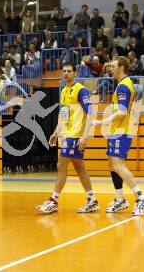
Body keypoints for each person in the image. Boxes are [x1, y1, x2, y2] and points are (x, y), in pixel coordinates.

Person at [92, 56, 144, 216]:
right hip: (117, 130)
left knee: (118, 165)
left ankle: (141, 197)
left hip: (122, 131)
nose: (110, 68)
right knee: (113, 165)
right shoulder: (121, 85)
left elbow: (122, 112)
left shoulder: (124, 86)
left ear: (122, 67)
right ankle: (120, 199)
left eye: (113, 66)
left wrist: (102, 122)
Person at [36, 63, 98, 213]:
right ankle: (92, 200)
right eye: (64, 71)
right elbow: (63, 116)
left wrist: (85, 136)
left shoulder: (80, 90)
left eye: (69, 71)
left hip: (75, 136)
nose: (65, 73)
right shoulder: (63, 91)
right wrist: (56, 133)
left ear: (75, 73)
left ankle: (54, 200)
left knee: (61, 165)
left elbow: (90, 112)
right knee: (79, 168)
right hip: (66, 135)